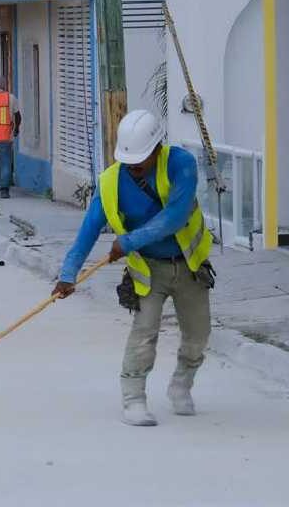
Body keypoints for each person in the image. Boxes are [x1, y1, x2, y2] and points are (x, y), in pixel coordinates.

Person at [52, 110, 215, 427]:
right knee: (144, 333)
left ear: (157, 148)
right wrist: (67, 276)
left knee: (198, 334)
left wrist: (127, 241)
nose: (134, 166)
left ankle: (181, 385)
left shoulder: (181, 164)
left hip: (190, 265)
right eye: (129, 161)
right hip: (148, 270)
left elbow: (175, 217)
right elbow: (87, 232)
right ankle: (133, 399)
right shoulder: (111, 183)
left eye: (141, 160)